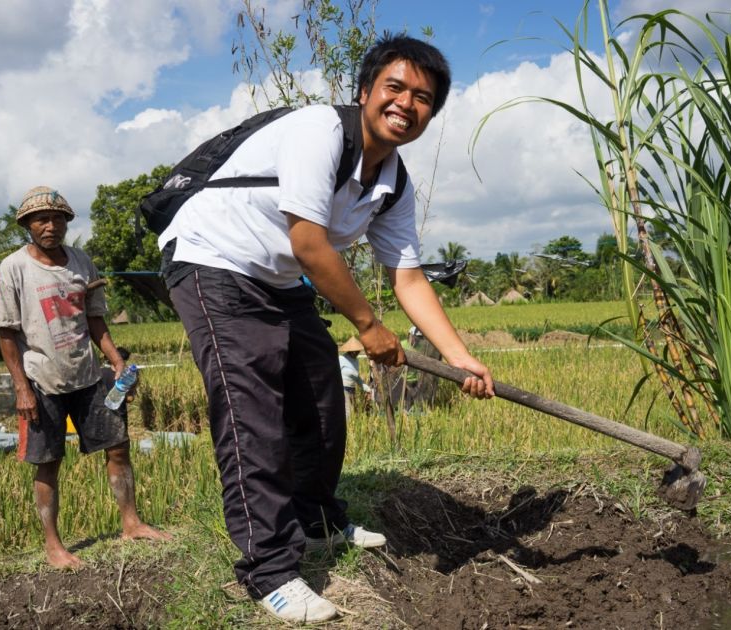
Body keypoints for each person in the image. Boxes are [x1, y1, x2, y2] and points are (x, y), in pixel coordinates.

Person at [158, 34, 494, 623]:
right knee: (250, 409)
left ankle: (316, 520)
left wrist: (459, 355)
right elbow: (310, 243)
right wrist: (368, 325)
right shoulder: (320, 130)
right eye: (395, 88)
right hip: (214, 259)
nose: (406, 104)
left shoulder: (393, 185)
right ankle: (269, 570)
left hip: (278, 278)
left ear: (431, 114)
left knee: (319, 397)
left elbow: (408, 278)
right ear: (366, 91)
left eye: (423, 98)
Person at [0, 186, 170, 570]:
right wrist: (21, 389)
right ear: (27, 225)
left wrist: (115, 361)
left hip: (88, 375)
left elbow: (94, 320)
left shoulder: (81, 262)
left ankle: (131, 522)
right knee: (49, 461)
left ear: (67, 223)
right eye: (41, 219)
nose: (50, 226)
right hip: (42, 380)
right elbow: (6, 332)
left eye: (57, 218)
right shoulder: (14, 268)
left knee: (118, 446)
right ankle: (54, 545)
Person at [338, 337, 371, 418]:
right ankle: (346, 428)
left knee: (354, 411)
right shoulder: (341, 359)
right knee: (348, 411)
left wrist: (367, 389)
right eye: (355, 351)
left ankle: (349, 428)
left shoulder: (356, 361)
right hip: (343, 388)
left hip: (352, 389)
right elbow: (334, 374)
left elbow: (357, 378)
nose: (356, 353)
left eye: (358, 351)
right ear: (350, 351)